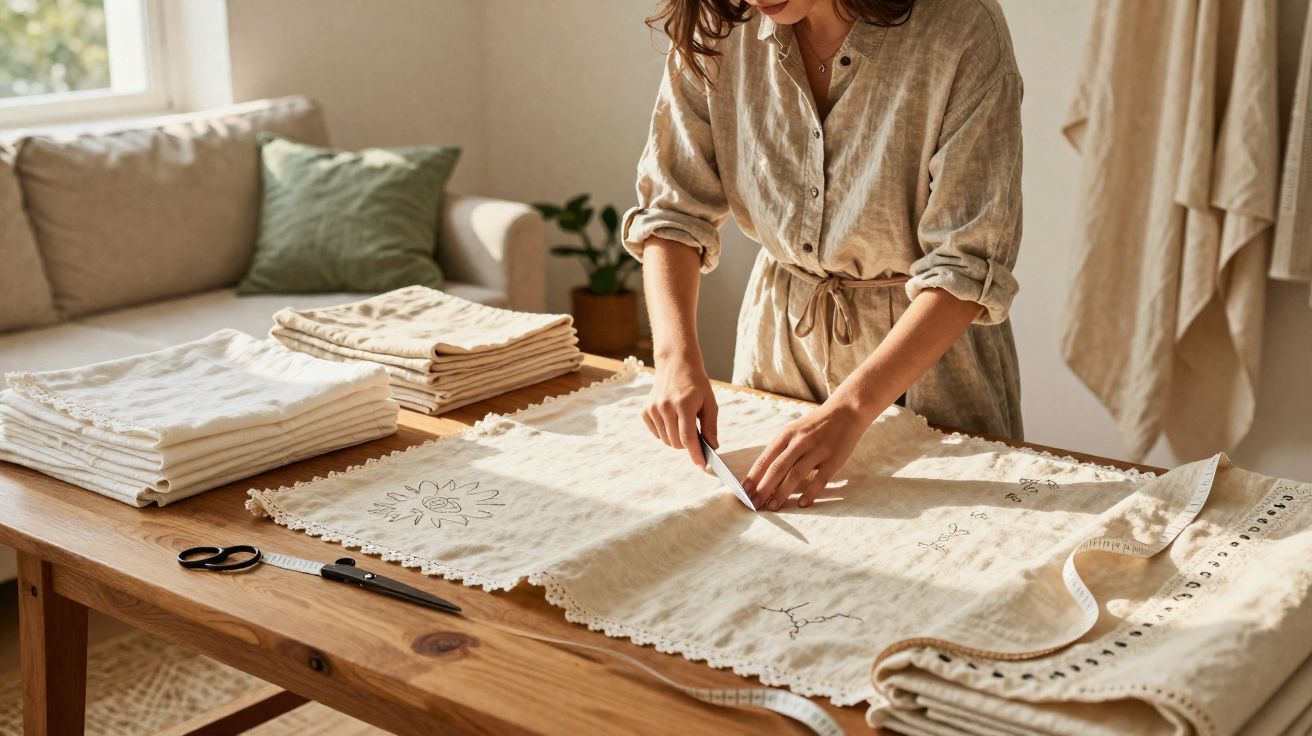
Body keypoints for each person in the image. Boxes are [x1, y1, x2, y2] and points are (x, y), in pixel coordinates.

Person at [622, 0, 1024, 511]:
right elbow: (672, 210)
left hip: (930, 369)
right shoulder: (719, 21)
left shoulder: (962, 27)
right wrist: (674, 359)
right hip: (777, 351)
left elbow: (965, 265)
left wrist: (850, 411)